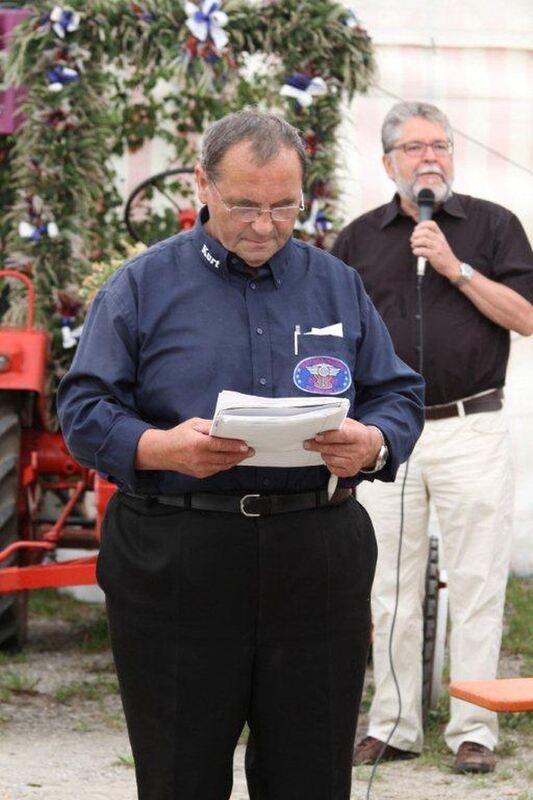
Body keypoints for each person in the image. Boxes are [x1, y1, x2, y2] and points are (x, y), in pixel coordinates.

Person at [57, 110, 424, 800]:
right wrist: (159, 446)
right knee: (179, 774)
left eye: (284, 206)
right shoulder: (141, 287)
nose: (264, 225)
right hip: (178, 556)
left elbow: (398, 394)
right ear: (201, 184)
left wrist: (371, 442)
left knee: (311, 775)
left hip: (315, 557)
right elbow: (81, 409)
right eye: (244, 206)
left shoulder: (334, 284)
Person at [332, 101, 533, 775]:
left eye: (439, 145)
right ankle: (393, 724)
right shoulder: (358, 239)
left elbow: (526, 318)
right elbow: (336, 336)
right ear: (387, 161)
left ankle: (474, 727)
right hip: (386, 434)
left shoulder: (492, 227)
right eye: (414, 147)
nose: (430, 157)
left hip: (469, 426)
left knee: (476, 579)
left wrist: (454, 267)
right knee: (385, 580)